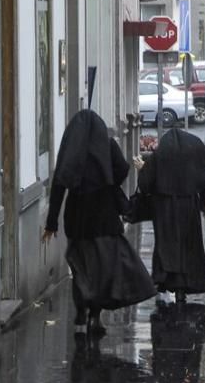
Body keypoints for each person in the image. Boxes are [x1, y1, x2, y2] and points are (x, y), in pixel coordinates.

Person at [43, 110, 155, 336]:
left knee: (80, 266)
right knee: (102, 268)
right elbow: (123, 168)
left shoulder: (70, 151)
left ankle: (81, 311)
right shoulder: (106, 145)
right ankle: (96, 315)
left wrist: (51, 223)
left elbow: (59, 184)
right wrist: (108, 181)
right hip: (104, 217)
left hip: (77, 218)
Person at [136, 127, 205, 305]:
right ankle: (183, 286)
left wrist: (143, 169)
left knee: (166, 245)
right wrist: (204, 202)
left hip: (163, 207)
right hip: (188, 206)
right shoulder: (193, 154)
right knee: (187, 246)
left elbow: (145, 184)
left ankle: (164, 279)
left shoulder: (160, 156)